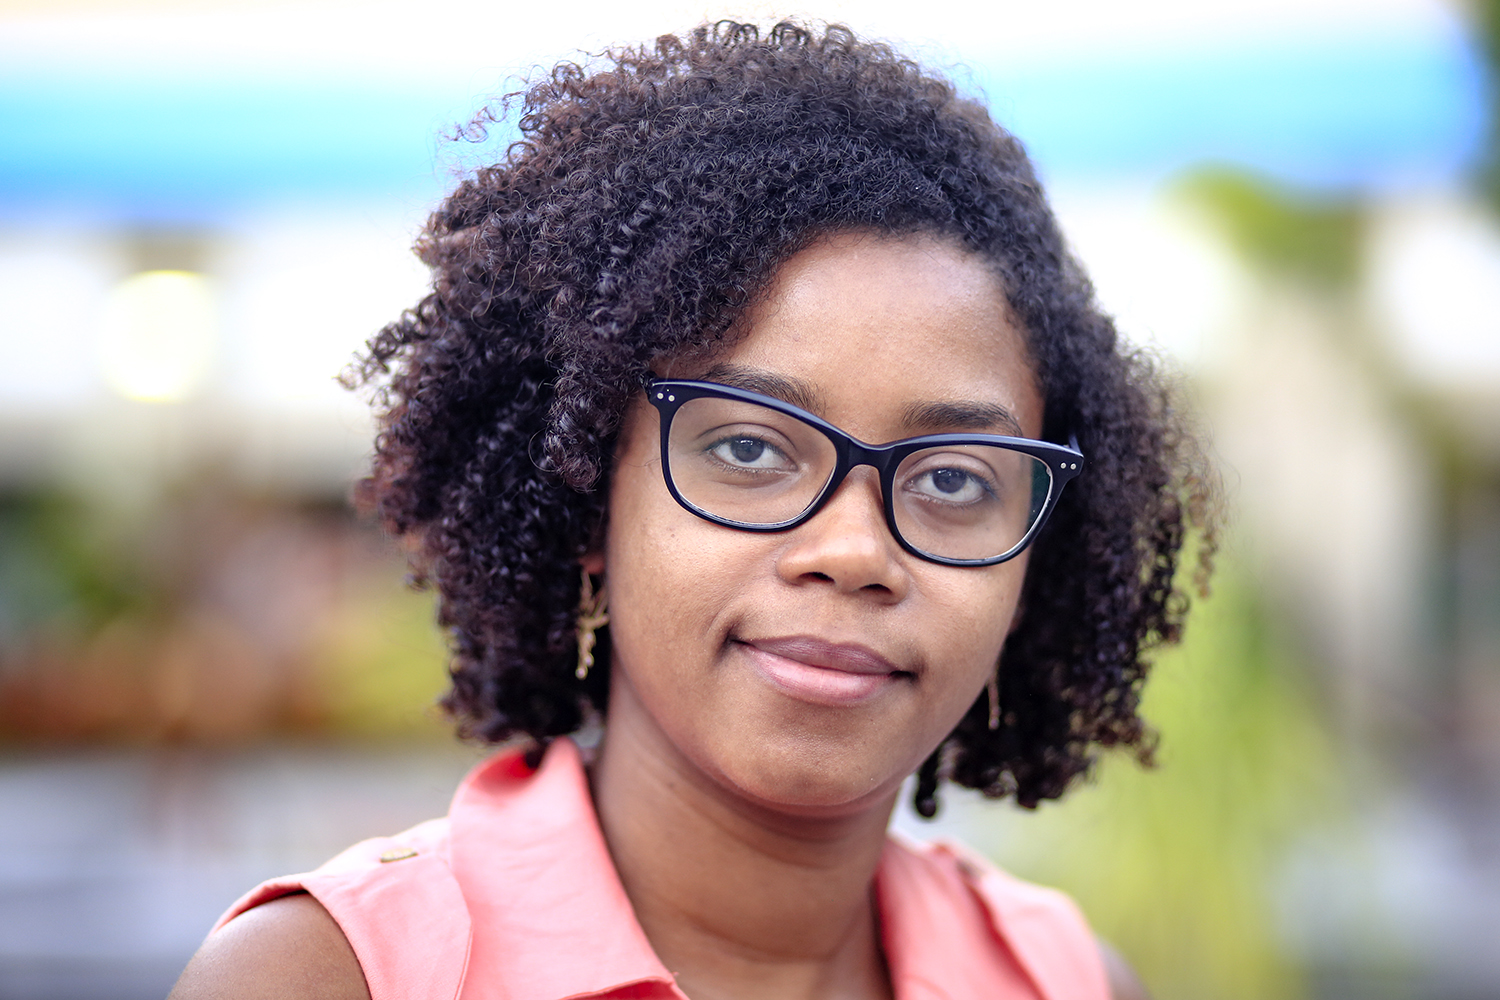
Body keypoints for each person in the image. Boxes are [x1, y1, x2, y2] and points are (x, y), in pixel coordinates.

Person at [170, 20, 1216, 1000]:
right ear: (584, 494)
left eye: (952, 478)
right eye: (750, 447)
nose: (854, 550)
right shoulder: (330, 977)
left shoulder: (1063, 979)